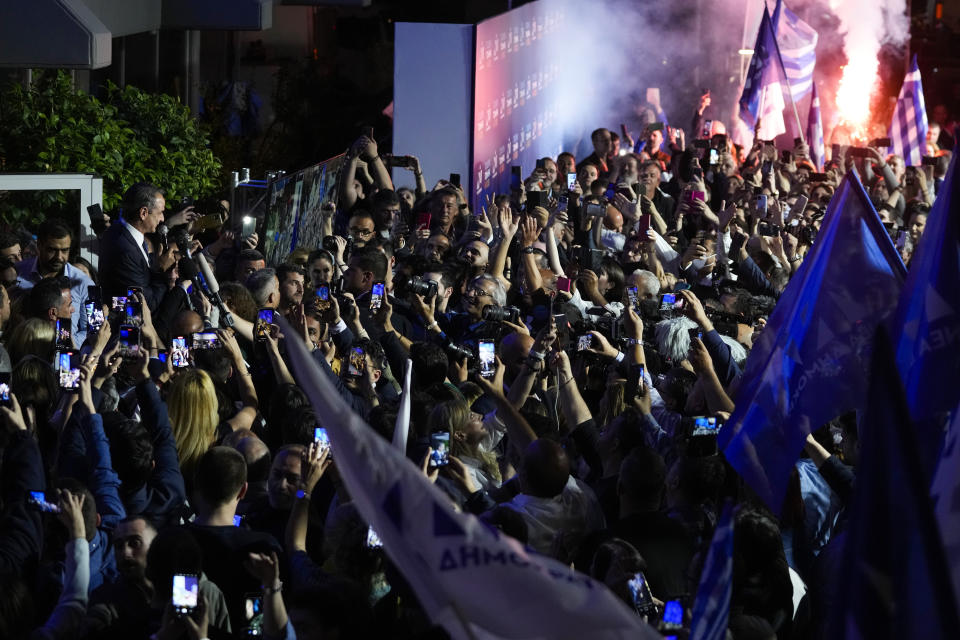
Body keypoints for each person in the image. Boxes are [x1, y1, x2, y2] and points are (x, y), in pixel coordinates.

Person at [14, 218, 94, 345]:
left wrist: (65, 343)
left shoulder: (84, 283)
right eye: (52, 250)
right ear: (39, 245)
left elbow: (93, 329)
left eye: (65, 250)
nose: (59, 257)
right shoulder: (18, 272)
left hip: (68, 360)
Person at [98, 182, 169, 310]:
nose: (162, 219)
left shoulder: (120, 233)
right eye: (160, 213)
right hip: (127, 324)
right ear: (143, 213)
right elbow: (146, 305)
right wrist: (161, 271)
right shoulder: (126, 250)